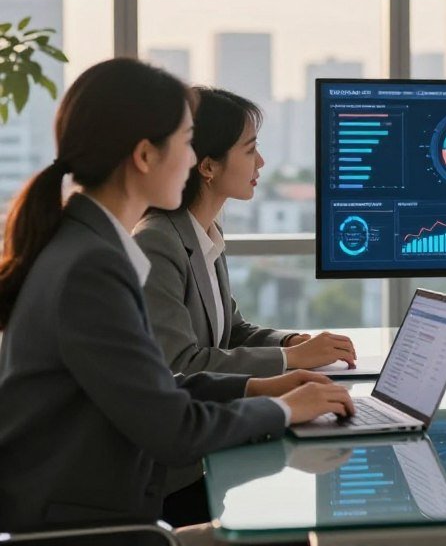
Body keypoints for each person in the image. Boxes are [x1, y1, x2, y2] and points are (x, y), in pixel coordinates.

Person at [0, 59, 354, 538]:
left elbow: (155, 387)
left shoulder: (82, 244)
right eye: (187, 142)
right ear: (146, 155)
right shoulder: (92, 268)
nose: (192, 160)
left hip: (102, 520)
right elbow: (175, 429)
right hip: (92, 533)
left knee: (285, 529)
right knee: (297, 533)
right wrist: (289, 409)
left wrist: (261, 388)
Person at [134, 86, 356, 378]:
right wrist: (289, 358)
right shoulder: (157, 242)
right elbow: (179, 364)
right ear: (208, 166)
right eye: (250, 149)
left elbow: (232, 332)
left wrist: (289, 342)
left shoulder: (205, 233)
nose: (261, 162)